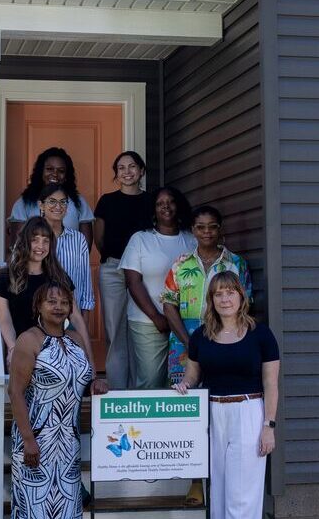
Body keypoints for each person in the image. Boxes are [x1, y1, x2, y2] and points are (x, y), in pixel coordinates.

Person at [174, 271, 279, 519]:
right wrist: (185, 385)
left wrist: (268, 425)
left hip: (249, 411)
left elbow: (271, 384)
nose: (224, 298)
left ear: (241, 296)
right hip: (214, 413)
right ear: (211, 300)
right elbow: (193, 372)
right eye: (218, 294)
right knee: (219, 491)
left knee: (242, 496)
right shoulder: (202, 336)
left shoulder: (261, 335)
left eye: (230, 292)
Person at [9, 281, 92, 519]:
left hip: (68, 441)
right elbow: (15, 392)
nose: (58, 306)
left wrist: (95, 387)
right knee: (35, 513)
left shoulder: (74, 340)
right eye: (51, 301)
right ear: (38, 307)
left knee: (65, 513)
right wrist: (29, 439)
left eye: (64, 302)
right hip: (37, 439)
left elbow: (81, 378)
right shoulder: (29, 341)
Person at [161, 205, 250, 385]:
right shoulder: (181, 264)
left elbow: (246, 303)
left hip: (223, 339)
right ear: (193, 230)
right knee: (184, 398)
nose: (207, 232)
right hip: (184, 341)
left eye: (212, 226)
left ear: (220, 228)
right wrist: (189, 343)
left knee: (217, 390)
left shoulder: (236, 264)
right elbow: (169, 304)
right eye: (201, 227)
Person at [120, 186, 194, 389]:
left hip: (185, 322)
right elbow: (133, 282)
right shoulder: (140, 239)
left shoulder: (191, 239)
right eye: (160, 204)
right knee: (151, 382)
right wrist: (156, 317)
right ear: (153, 210)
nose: (166, 207)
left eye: (170, 202)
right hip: (148, 322)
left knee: (183, 382)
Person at [94, 151, 156, 388]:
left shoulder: (151, 201)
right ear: (116, 173)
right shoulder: (107, 201)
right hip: (113, 269)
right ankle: (118, 389)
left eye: (132, 167)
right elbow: (99, 239)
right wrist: (115, 259)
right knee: (114, 327)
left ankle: (140, 388)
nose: (127, 171)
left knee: (142, 325)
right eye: (121, 168)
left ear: (141, 171)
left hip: (143, 272)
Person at [0, 217, 75, 361]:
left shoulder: (59, 276)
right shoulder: (4, 277)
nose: (40, 246)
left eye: (45, 240)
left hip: (56, 353)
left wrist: (89, 357)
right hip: (23, 352)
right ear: (24, 242)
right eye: (34, 239)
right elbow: (4, 319)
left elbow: (75, 317)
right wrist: (13, 349)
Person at [38, 188, 98, 365]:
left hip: (71, 315)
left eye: (63, 202)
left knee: (72, 366)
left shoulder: (78, 239)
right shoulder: (32, 239)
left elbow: (84, 283)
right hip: (39, 317)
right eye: (52, 201)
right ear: (41, 205)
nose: (58, 206)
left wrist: (83, 325)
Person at [7, 147, 93, 245]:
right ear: (40, 172)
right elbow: (17, 245)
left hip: (69, 260)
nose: (55, 174)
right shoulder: (23, 203)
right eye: (49, 169)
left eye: (61, 171)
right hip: (35, 260)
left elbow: (85, 246)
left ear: (67, 176)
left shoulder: (79, 202)